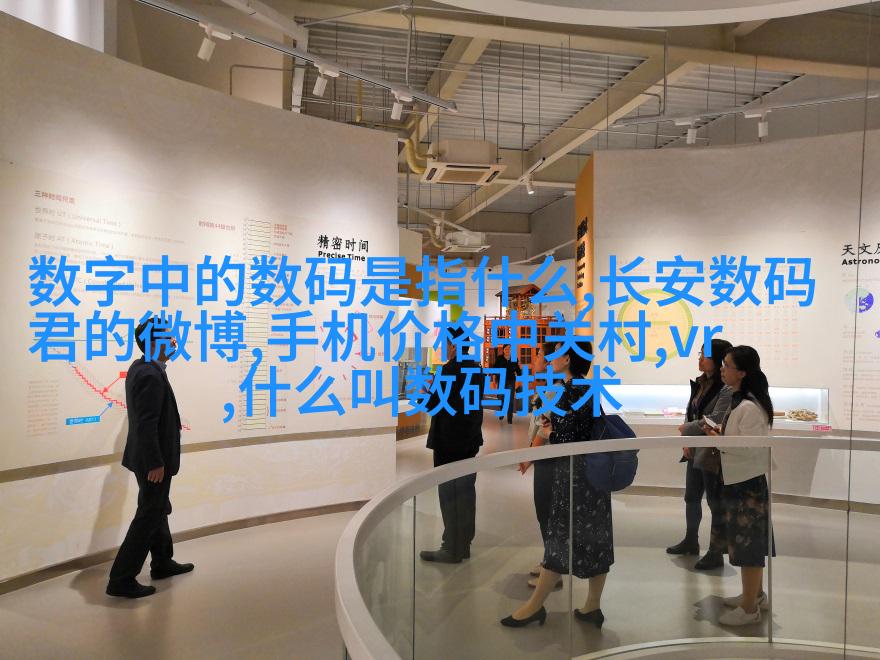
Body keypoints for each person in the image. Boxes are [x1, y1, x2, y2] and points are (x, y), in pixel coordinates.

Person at [501, 340, 612, 628]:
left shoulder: (571, 390)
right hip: (591, 476)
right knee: (594, 539)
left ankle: (534, 607)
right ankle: (592, 606)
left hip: (573, 477)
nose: (551, 358)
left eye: (558, 353)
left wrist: (550, 433)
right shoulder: (587, 388)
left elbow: (567, 438)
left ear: (568, 359)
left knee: (559, 537)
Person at [106, 318, 193, 598]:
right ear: (153, 342)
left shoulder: (144, 368)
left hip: (148, 457)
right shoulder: (149, 375)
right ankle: (121, 578)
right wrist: (155, 462)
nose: (175, 341)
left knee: (157, 507)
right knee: (148, 514)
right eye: (169, 337)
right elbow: (146, 423)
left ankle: (162, 561)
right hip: (152, 461)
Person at [703, 345, 774, 626]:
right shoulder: (741, 403)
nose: (722, 369)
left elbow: (749, 447)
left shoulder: (749, 407)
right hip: (739, 480)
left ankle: (749, 608)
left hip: (748, 484)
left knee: (749, 545)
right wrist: (721, 434)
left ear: (742, 373)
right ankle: (753, 595)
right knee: (746, 543)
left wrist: (719, 440)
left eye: (727, 365)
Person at [666, 338, 733, 570]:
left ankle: (716, 551)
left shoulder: (726, 388)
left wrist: (688, 429)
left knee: (715, 501)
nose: (700, 358)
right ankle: (690, 541)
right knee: (691, 497)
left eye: (705, 355)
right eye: (700, 354)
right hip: (695, 448)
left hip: (712, 451)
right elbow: (691, 411)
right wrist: (687, 439)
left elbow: (716, 418)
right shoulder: (700, 383)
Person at [420, 326, 484, 564]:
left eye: (444, 343)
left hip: (448, 441)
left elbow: (433, 405)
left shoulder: (448, 370)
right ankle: (463, 544)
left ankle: (450, 547)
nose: (442, 348)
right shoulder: (476, 369)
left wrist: (424, 390)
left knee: (448, 494)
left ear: (454, 345)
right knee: (466, 492)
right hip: (469, 439)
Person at [517, 342, 561, 589]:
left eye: (539, 356)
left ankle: (553, 569)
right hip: (546, 458)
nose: (534, 360)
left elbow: (544, 430)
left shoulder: (554, 391)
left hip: (550, 460)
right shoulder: (548, 389)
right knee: (546, 513)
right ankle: (549, 561)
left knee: (548, 513)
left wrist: (529, 456)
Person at [493, 344, 522, 424]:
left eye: (509, 349)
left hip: (511, 381)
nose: (508, 350)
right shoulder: (499, 358)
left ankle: (510, 418)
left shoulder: (514, 359)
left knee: (510, 399)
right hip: (501, 380)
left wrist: (519, 368)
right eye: (506, 349)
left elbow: (518, 371)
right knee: (500, 397)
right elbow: (494, 369)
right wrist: (495, 380)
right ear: (503, 350)